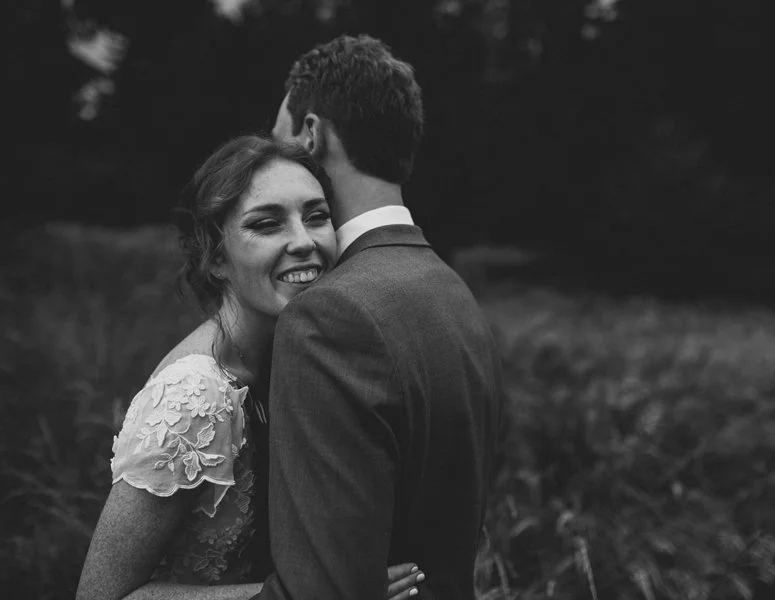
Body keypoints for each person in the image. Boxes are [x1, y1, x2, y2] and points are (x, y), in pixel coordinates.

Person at [75, 136, 425, 600]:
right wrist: (307, 594)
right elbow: (102, 596)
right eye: (267, 224)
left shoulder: (291, 358)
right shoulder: (195, 394)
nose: (304, 242)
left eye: (317, 217)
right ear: (217, 258)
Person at [254, 35, 504, 600]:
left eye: (279, 142)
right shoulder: (455, 294)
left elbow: (318, 589)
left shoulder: (327, 316)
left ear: (312, 134)